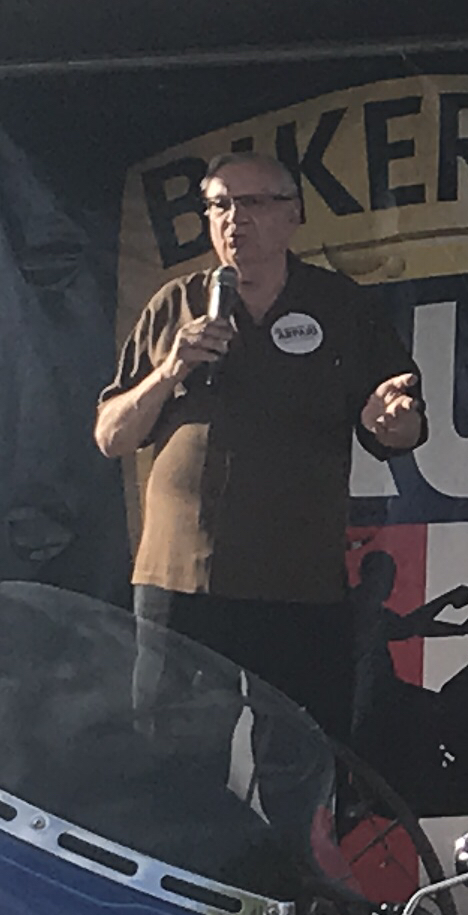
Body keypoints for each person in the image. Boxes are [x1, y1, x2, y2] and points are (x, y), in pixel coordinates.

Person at [93, 150, 426, 742]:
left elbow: (401, 426)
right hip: (181, 587)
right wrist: (168, 371)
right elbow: (111, 435)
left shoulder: (340, 306)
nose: (232, 219)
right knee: (174, 766)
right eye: (219, 205)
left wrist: (390, 422)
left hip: (297, 587)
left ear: (292, 214)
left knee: (302, 766)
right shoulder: (176, 305)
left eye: (251, 203)